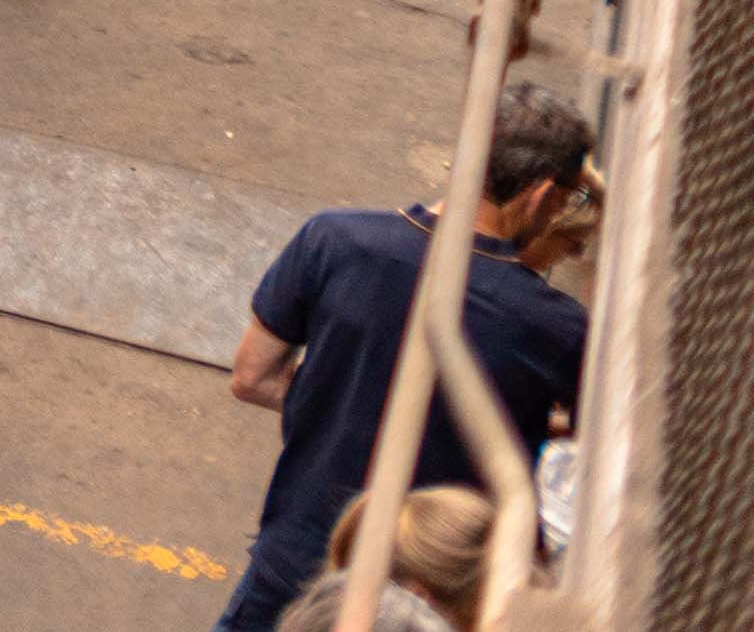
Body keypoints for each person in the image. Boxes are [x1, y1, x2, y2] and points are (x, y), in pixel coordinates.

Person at [218, 87, 591, 632]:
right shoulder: (555, 326)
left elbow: (251, 377)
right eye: (569, 199)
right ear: (538, 197)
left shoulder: (333, 239)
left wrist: (346, 396)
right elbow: (592, 452)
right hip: (431, 598)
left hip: (296, 561)